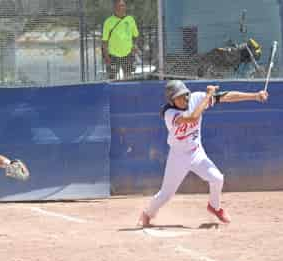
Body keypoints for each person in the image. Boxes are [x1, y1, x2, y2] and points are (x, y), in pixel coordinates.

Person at [138, 80, 269, 227]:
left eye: (185, 94)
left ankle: (214, 207)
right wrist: (208, 96)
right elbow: (192, 118)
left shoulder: (196, 98)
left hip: (197, 152)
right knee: (166, 194)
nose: (185, 98)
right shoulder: (169, 113)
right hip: (178, 156)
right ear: (172, 100)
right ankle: (147, 213)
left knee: (217, 179)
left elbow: (226, 97)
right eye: (179, 97)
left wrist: (255, 96)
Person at [102, 0, 139, 80]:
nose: (121, 8)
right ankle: (111, 92)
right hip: (113, 56)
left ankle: (128, 92)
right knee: (111, 78)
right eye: (119, 6)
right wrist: (106, 56)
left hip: (128, 54)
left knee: (129, 78)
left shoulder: (130, 19)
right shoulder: (108, 21)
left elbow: (135, 35)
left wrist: (135, 45)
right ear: (114, 8)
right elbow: (104, 41)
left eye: (123, 6)